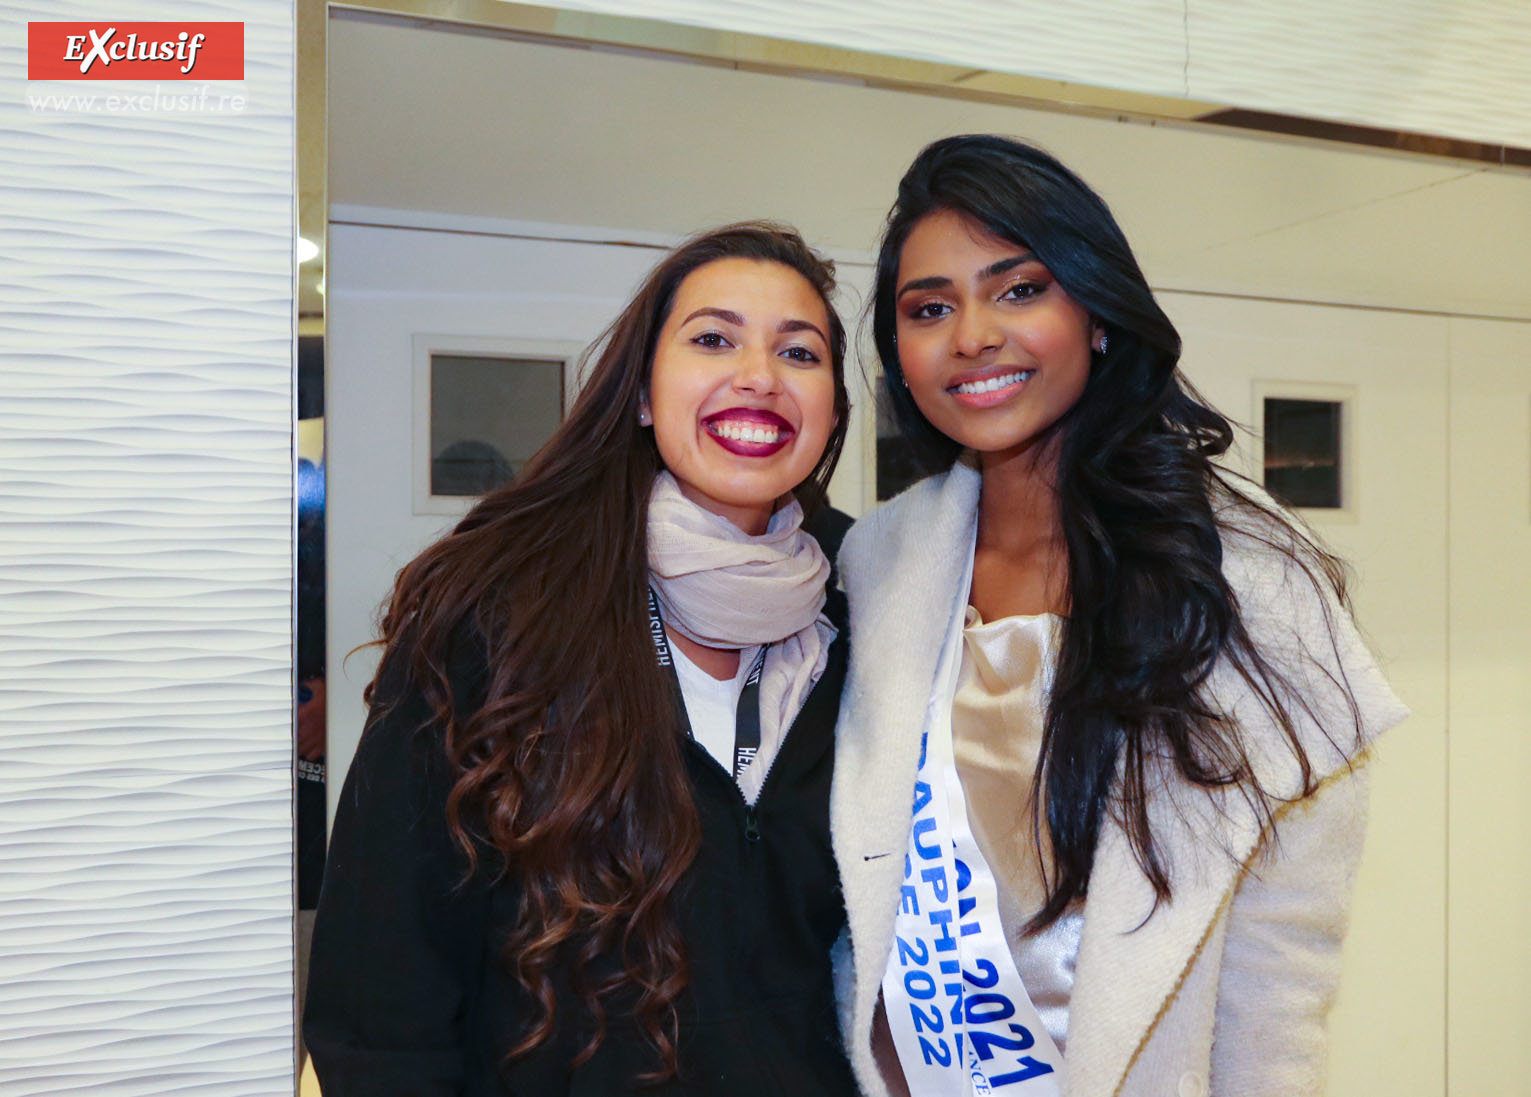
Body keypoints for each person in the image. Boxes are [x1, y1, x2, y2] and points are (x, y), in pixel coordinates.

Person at [830, 135, 1409, 1097]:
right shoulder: (879, 561)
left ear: (1096, 314)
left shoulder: (1243, 571)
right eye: (930, 309)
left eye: (1018, 290)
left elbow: (1284, 957)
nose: (971, 334)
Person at [304, 223, 861, 1097]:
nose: (758, 374)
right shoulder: (499, 607)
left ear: (830, 405)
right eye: (713, 338)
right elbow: (381, 988)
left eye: (800, 352)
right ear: (642, 392)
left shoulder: (865, 606)